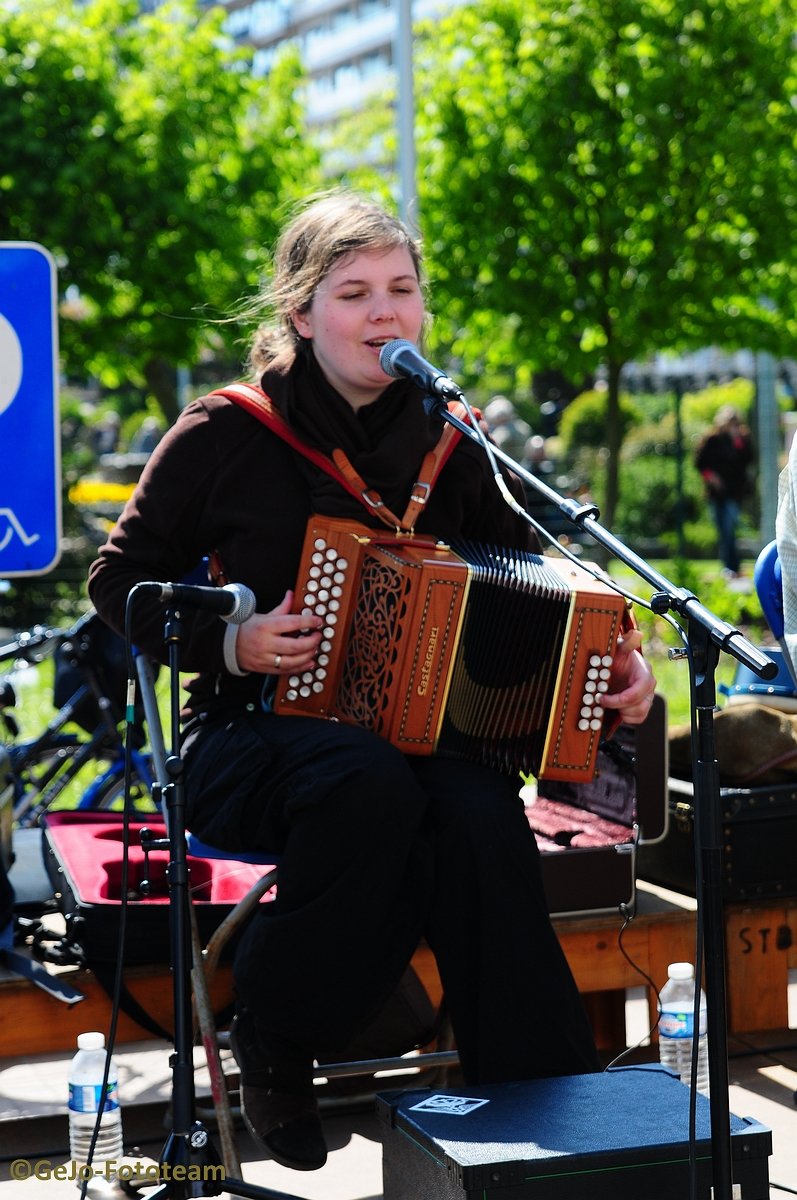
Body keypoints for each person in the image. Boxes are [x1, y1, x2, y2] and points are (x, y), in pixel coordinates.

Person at [88, 192, 656, 1173]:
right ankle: (274, 1028)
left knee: (477, 813)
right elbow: (115, 581)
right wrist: (235, 643)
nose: (383, 310)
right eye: (353, 293)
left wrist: (615, 654)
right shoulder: (226, 432)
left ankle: (549, 1119)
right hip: (244, 739)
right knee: (368, 783)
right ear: (301, 314)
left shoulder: (451, 439)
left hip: (411, 748)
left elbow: (543, 573)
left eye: (401, 288)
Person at [694, 405, 754, 577]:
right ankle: (730, 566)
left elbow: (747, 460)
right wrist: (711, 477)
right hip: (716, 493)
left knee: (729, 529)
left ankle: (733, 566)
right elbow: (700, 462)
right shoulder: (712, 440)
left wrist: (737, 441)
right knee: (723, 530)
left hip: (734, 493)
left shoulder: (742, 440)